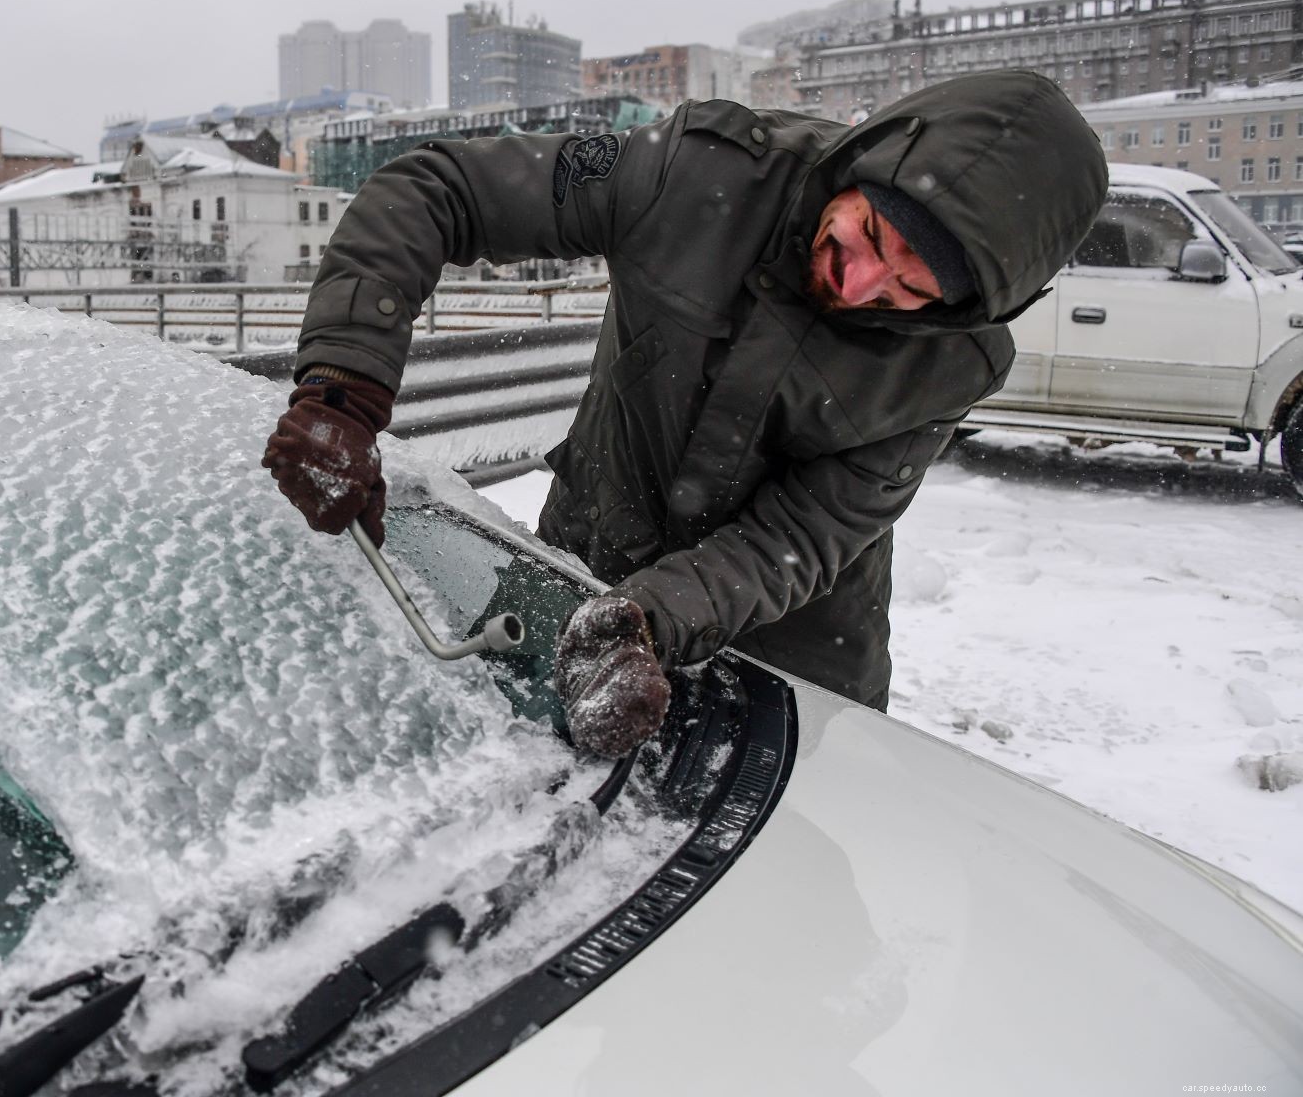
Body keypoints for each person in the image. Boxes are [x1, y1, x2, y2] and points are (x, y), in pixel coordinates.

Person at [262, 70, 1106, 757]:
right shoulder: (699, 173)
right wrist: (344, 388)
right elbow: (437, 188)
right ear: (866, 168)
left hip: (796, 660)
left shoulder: (950, 364)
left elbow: (806, 534)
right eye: (871, 237)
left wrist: (648, 623)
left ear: (965, 310)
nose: (860, 286)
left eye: (911, 288)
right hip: (583, 567)